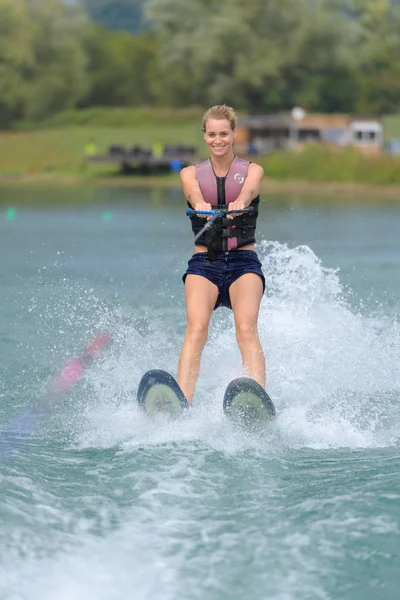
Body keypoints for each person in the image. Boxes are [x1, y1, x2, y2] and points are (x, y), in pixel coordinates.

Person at [177, 105, 266, 404]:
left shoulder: (253, 170)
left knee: (246, 328)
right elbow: (193, 193)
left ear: (234, 134)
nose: (218, 140)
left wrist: (239, 201)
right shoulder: (189, 173)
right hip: (205, 263)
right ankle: (183, 402)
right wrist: (201, 204)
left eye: (224, 134)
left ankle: (255, 398)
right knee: (197, 327)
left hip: (243, 263)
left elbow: (249, 191)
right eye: (212, 134)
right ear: (204, 135)